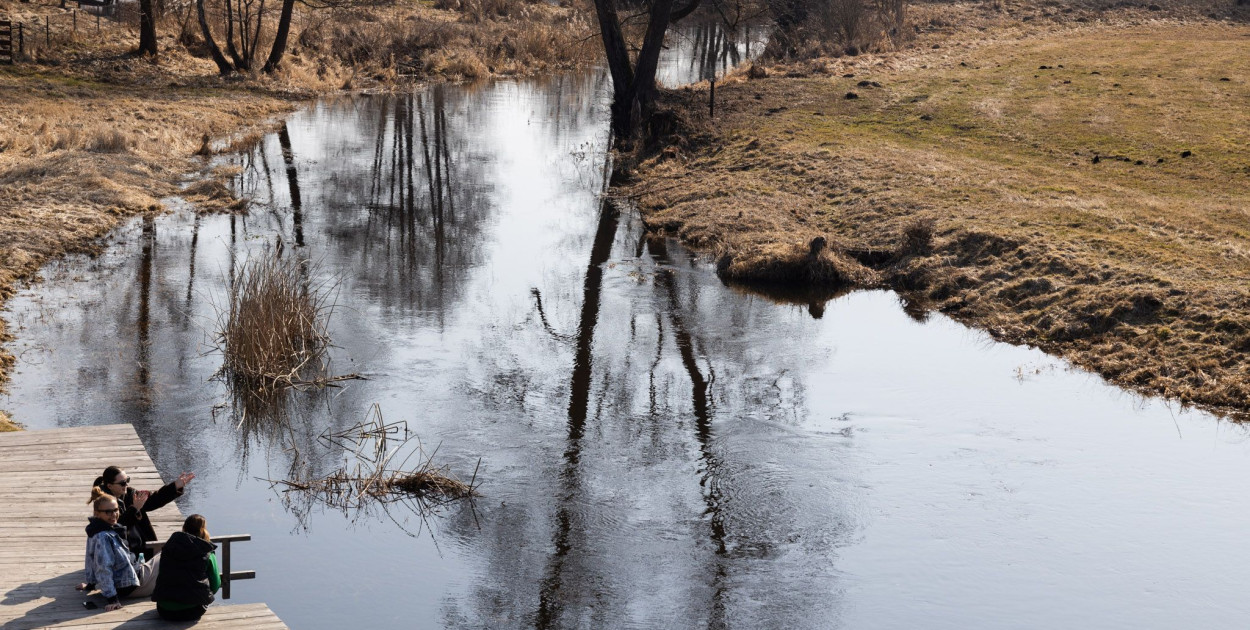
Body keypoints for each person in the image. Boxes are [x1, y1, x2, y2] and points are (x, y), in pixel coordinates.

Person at [77, 489, 160, 611]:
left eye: (115, 510)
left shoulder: (95, 529)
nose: (113, 514)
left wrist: (90, 584)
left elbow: (91, 558)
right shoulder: (104, 536)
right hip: (132, 586)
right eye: (108, 512)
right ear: (97, 513)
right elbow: (103, 568)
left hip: (128, 579)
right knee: (170, 552)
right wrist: (112, 599)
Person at [92, 465, 195, 561]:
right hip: (121, 552)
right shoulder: (104, 504)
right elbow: (116, 528)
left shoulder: (130, 494)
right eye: (122, 483)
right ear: (110, 486)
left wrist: (175, 486)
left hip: (140, 547)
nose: (126, 485)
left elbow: (154, 500)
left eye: (127, 480)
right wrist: (135, 509)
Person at [152, 514, 221, 621]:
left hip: (164, 610)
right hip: (192, 611)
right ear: (204, 530)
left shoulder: (168, 549)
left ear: (183, 528)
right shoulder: (207, 553)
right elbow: (216, 585)